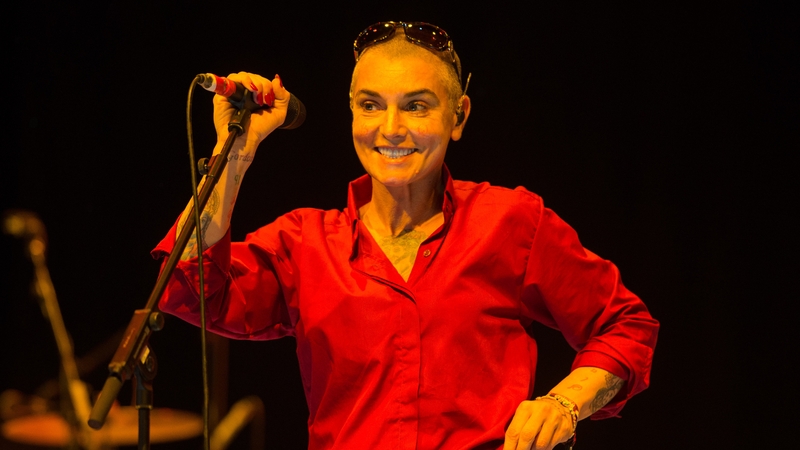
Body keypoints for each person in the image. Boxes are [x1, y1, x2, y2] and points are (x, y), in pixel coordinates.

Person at [153, 21, 659, 450]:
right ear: (351, 112)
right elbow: (190, 288)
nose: (390, 128)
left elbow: (626, 326)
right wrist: (234, 154)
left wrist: (564, 403)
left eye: (416, 106)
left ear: (458, 116)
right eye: (371, 105)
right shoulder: (305, 244)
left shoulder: (510, 222)